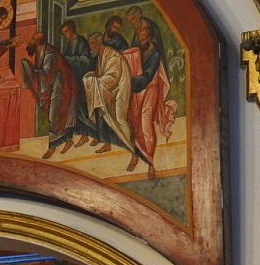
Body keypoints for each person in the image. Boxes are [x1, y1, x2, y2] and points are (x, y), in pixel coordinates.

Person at [82, 32, 144, 170]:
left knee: (120, 119)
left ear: (99, 43)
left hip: (120, 89)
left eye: (93, 43)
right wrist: (93, 77)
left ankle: (134, 153)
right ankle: (108, 143)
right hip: (111, 90)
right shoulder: (101, 56)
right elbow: (101, 74)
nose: (91, 47)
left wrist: (93, 81)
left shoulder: (113, 57)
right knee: (104, 113)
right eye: (89, 44)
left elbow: (112, 78)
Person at [127, 19, 174, 178]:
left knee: (146, 123)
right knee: (134, 123)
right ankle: (135, 155)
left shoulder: (155, 54)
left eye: (143, 40)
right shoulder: (139, 50)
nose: (140, 42)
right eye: (139, 39)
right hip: (137, 90)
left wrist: (131, 82)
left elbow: (147, 76)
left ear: (150, 38)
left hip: (150, 89)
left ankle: (150, 163)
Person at [20, 31, 78, 157]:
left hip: (62, 85)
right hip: (54, 84)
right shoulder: (40, 52)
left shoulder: (49, 55)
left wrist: (31, 71)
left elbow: (46, 75)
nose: (31, 41)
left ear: (38, 42)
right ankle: (68, 140)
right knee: (58, 115)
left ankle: (52, 146)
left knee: (55, 114)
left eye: (33, 39)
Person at [58, 20, 95, 146]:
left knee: (82, 108)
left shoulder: (81, 42)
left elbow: (86, 60)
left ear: (72, 30)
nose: (65, 35)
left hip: (82, 80)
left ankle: (88, 134)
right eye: (63, 33)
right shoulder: (71, 43)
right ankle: (83, 134)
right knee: (75, 108)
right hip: (74, 80)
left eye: (66, 32)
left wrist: (68, 59)